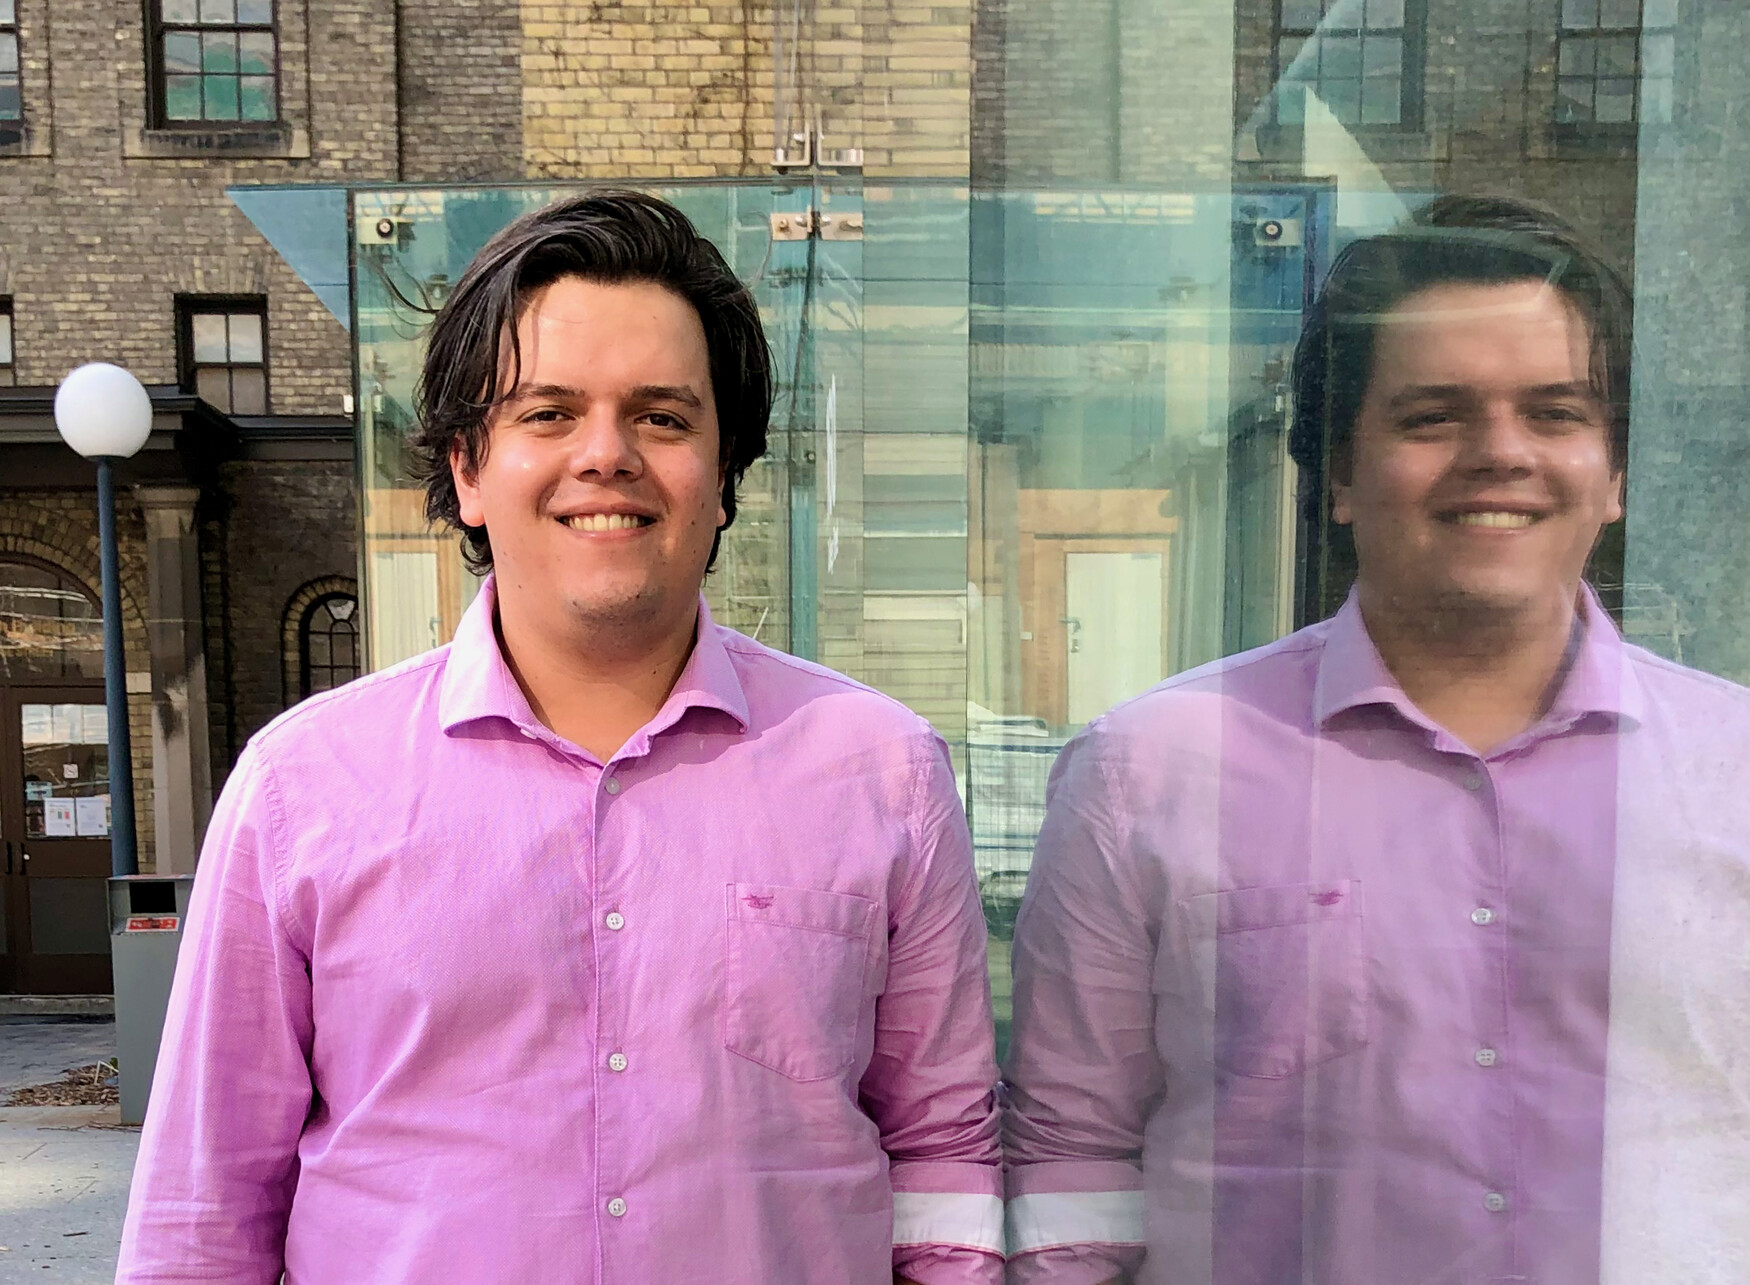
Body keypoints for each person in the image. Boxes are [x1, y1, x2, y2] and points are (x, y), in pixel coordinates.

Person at [117, 192, 1003, 1284]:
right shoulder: (303, 787)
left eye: (663, 417)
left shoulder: (880, 772)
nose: (607, 455)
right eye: (546, 413)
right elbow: (205, 1205)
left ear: (723, 478)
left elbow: (943, 1152)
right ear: (465, 470)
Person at [1001, 194, 1750, 1284]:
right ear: (1339, 474)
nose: (1501, 455)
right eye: (1432, 415)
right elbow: (1070, 1161)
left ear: (1615, 470)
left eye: (1553, 413)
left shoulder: (1733, 774)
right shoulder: (1148, 771)